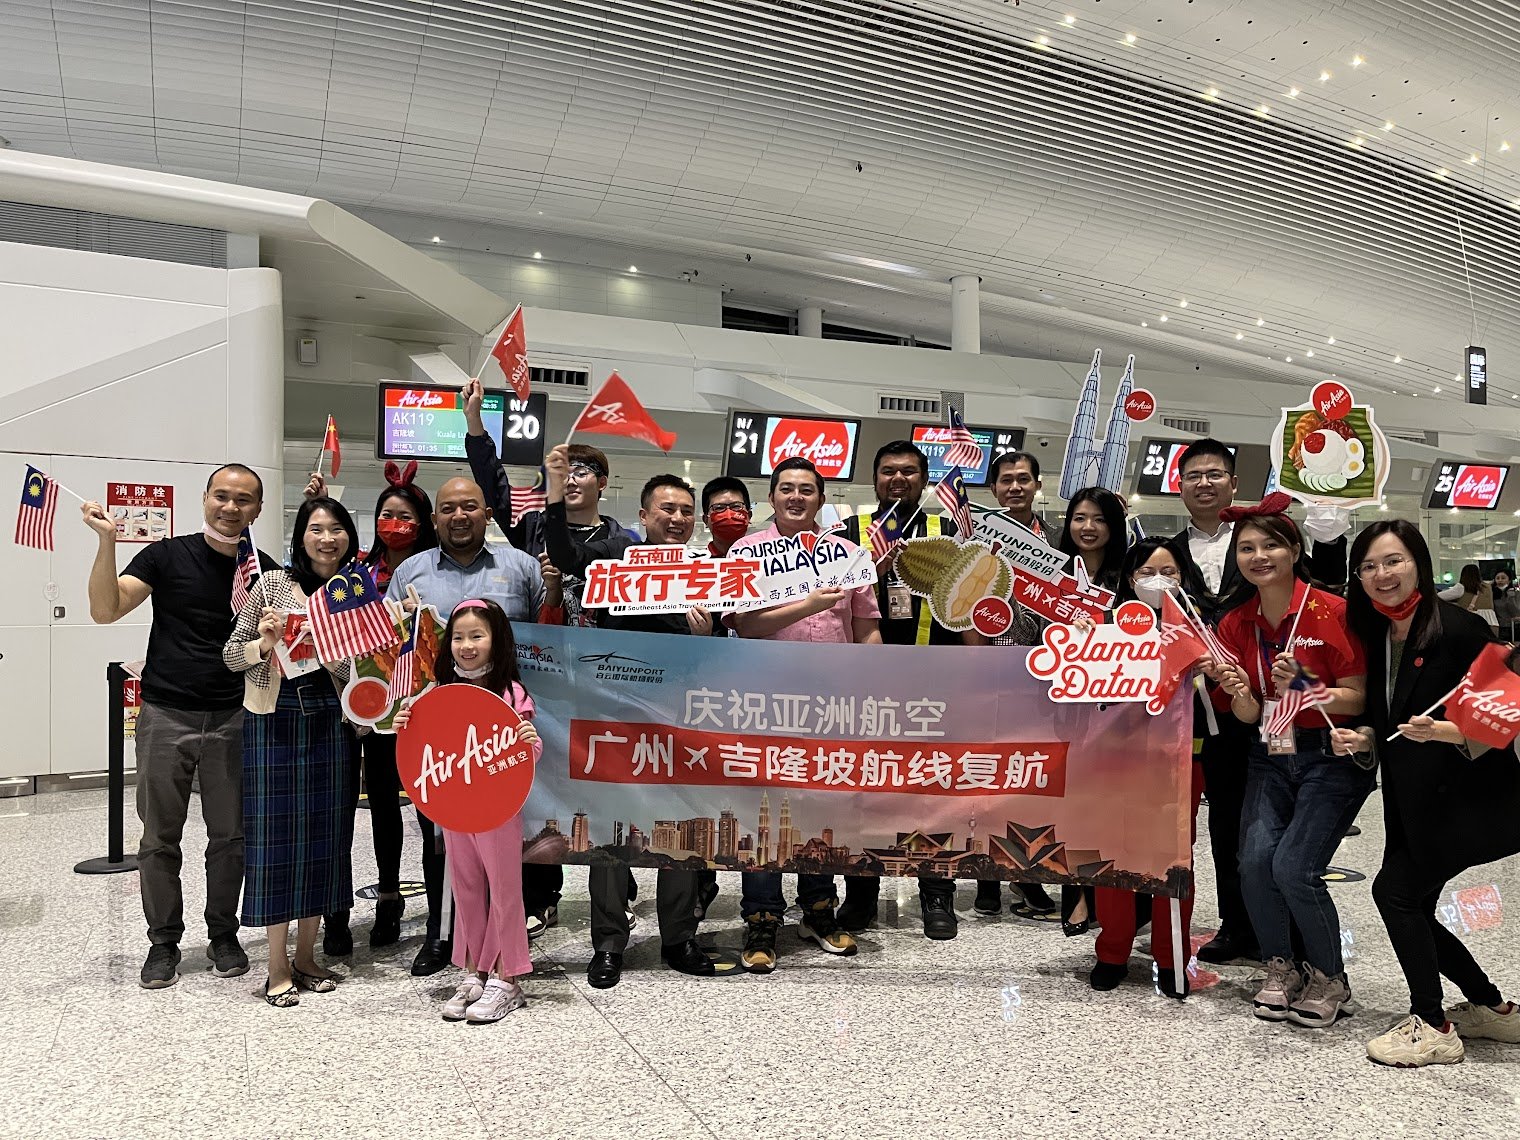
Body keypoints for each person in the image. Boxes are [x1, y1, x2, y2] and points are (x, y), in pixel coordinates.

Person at [1335, 521, 1520, 1066]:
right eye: (1368, 566)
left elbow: (1502, 718)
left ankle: (1433, 1023)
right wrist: (1363, 736)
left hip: (1467, 798)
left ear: (1418, 562)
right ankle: (1491, 1009)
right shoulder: (1375, 632)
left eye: (1393, 561)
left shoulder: (1462, 630)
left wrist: (1441, 731)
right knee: (1409, 900)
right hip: (1412, 797)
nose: (1381, 575)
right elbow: (1385, 719)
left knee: (1394, 896)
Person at [461, 376, 638, 935]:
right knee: (537, 787)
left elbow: (567, 555)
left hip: (605, 683)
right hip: (541, 680)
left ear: (603, 484)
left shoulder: (622, 541)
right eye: (564, 474)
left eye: (583, 472)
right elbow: (495, 494)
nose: (570, 480)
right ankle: (541, 894)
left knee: (606, 791)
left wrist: (555, 501)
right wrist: (475, 429)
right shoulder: (533, 525)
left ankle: (619, 892)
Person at [82, 463, 270, 989]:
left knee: (230, 837)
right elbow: (105, 609)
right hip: (166, 715)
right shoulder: (165, 555)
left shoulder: (263, 572)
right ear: (205, 498)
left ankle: (223, 934)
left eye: (244, 500)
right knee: (158, 838)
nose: (231, 507)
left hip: (236, 717)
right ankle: (163, 942)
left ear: (257, 509)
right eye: (222, 496)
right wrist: (106, 543)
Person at [541, 447, 722, 988]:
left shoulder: (710, 572)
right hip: (614, 715)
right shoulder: (617, 560)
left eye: (686, 511)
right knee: (610, 827)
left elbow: (731, 654)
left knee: (684, 826)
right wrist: (554, 494)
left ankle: (678, 936)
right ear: (643, 517)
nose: (676, 518)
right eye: (665, 509)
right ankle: (609, 942)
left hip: (682, 717)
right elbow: (563, 554)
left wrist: (707, 637)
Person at [1204, 497, 1369, 1027]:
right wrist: (1237, 688)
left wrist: (1306, 687)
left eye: (1271, 544)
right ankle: (1282, 967)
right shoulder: (1237, 623)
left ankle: (1329, 978)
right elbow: (1251, 711)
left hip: (1330, 756)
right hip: (1269, 752)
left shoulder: (1332, 610)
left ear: (1295, 550)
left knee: (1294, 868)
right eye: (1247, 548)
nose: (1258, 555)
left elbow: (1356, 697)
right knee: (1251, 863)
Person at [386, 477, 545, 975]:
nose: (460, 515)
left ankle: (509, 964)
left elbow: (548, 632)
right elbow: (395, 647)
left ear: (488, 513)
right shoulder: (410, 571)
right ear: (434, 519)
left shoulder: (522, 567)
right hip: (443, 740)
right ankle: (449, 943)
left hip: (499, 750)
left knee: (506, 869)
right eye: (448, 507)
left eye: (471, 506)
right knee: (447, 855)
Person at [729, 457, 883, 971]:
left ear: (822, 499)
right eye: (787, 489)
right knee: (766, 812)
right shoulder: (748, 552)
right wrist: (811, 603)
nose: (797, 497)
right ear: (771, 498)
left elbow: (866, 627)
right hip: (766, 702)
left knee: (822, 809)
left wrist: (872, 689)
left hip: (832, 706)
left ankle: (819, 910)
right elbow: (746, 626)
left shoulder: (848, 555)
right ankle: (762, 918)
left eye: (807, 490)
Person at [223, 496, 360, 1007]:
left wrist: (355, 648)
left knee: (326, 838)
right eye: (317, 529)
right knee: (275, 841)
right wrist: (263, 642)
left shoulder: (354, 594)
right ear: (301, 536)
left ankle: (307, 955)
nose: (328, 539)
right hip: (273, 718)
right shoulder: (273, 585)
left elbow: (362, 670)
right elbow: (231, 654)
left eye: (337, 529)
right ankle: (276, 965)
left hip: (332, 719)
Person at [306, 462, 439, 955]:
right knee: (381, 806)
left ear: (422, 521)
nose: (395, 523)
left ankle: (440, 913)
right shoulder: (357, 571)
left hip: (423, 706)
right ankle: (387, 900)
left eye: (405, 515)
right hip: (370, 710)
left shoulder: (431, 569)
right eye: (386, 514)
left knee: (428, 810)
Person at [394, 599, 542, 1023]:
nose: (466, 645)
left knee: (504, 889)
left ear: (497, 640)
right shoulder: (439, 693)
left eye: (477, 635)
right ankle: (475, 970)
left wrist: (530, 740)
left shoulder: (511, 692)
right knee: (467, 888)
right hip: (456, 805)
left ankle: (508, 978)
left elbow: (529, 750)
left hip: (498, 807)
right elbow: (423, 746)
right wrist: (408, 724)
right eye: (458, 637)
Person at [840, 440, 965, 940]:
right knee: (864, 792)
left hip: (936, 681)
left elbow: (970, 603)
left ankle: (937, 894)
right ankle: (861, 895)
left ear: (923, 479)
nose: (898, 479)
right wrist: (874, 575)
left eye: (909, 472)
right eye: (888, 471)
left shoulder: (949, 531)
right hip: (866, 686)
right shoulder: (849, 535)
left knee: (933, 791)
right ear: (874, 480)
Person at [1088, 538, 1208, 1000]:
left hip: (1179, 763)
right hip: (1113, 762)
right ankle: (1112, 951)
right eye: (1146, 572)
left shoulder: (1201, 629)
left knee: (1175, 861)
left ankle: (1173, 957)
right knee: (1112, 856)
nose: (1158, 581)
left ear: (1185, 577)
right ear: (1129, 579)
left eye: (1170, 572)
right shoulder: (1104, 626)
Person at [1169, 439, 1258, 966]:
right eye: (1194, 476)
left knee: (1259, 820)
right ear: (1179, 487)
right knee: (1220, 821)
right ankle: (1235, 923)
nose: (1205, 483)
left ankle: (1271, 920)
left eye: (1215, 474)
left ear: (1233, 483)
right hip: (1189, 707)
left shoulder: (1256, 541)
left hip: (1252, 696)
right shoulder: (1167, 553)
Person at [970, 450, 1059, 920]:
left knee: (1033, 780)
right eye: (1006, 480)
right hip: (996, 673)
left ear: (1037, 485)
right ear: (994, 489)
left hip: (1049, 677)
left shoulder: (1059, 544)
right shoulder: (978, 545)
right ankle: (987, 874)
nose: (1015, 487)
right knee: (990, 778)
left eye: (1024, 479)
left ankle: (1029, 876)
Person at [1055, 485, 1129, 936]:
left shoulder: (1130, 576)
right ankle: (1078, 895)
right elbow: (1029, 634)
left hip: (1121, 711)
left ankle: (1118, 898)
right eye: (1079, 518)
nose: (1087, 527)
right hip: (1067, 709)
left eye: (1098, 519)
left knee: (1114, 806)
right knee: (1073, 805)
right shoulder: (1054, 574)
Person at [1438, 564, 1499, 637]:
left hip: (1471, 622)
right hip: (1492, 622)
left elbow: (1438, 597)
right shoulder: (1487, 587)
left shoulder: (1461, 587)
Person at [701, 475, 753, 558]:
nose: (729, 515)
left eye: (736, 506)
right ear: (706, 520)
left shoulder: (764, 559)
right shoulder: (696, 563)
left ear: (749, 516)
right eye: (719, 508)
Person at [1493, 568, 1519, 641]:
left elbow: (1515, 611)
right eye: (1497, 578)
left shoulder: (1515, 593)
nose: (1500, 580)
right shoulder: (1492, 594)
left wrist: (1510, 597)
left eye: (1503, 578)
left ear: (1509, 580)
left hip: (1514, 626)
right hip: (1500, 627)